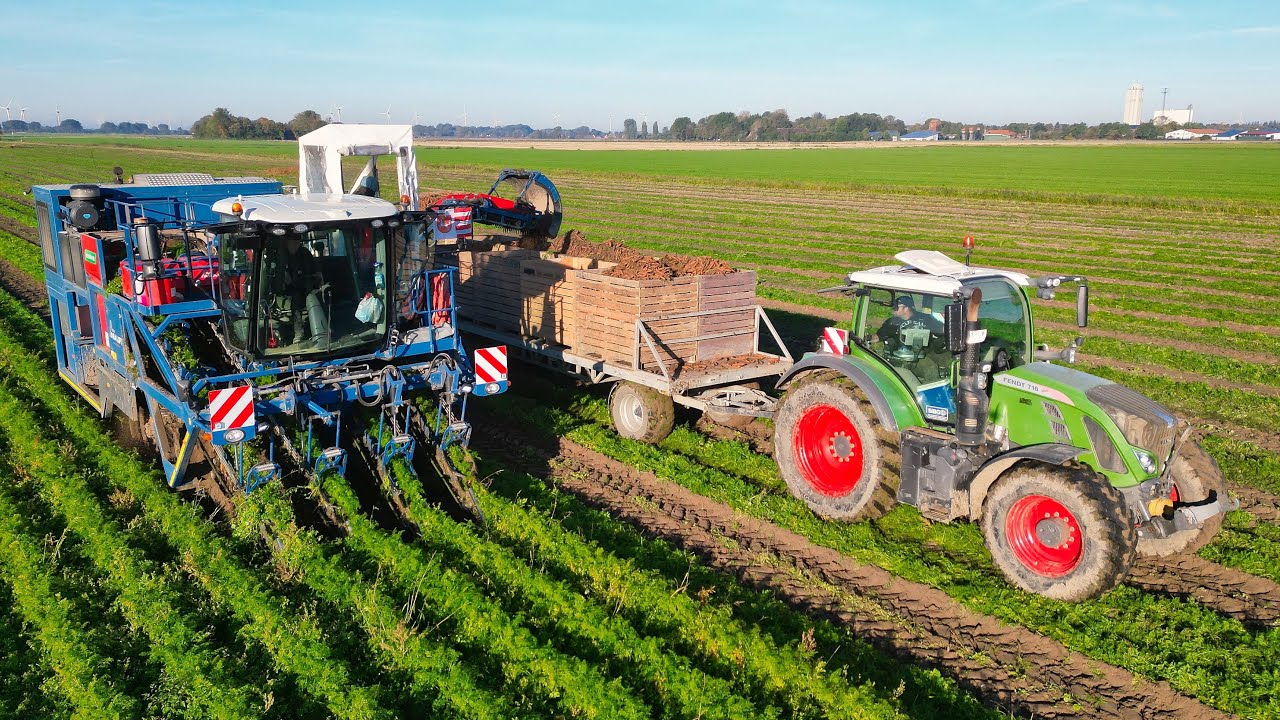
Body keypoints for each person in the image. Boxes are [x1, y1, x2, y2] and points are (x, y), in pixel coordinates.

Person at [876, 296, 947, 381]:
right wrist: (865, 339)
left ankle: (934, 392)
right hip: (899, 357)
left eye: (896, 306)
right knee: (930, 368)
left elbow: (943, 329)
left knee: (934, 367)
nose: (893, 308)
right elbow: (877, 337)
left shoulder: (926, 319)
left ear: (906, 308)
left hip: (922, 355)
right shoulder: (891, 323)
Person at [273, 236, 323, 345]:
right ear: (287, 242)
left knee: (322, 294)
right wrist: (284, 280)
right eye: (292, 241)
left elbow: (316, 271)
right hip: (290, 289)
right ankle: (299, 333)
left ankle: (324, 327)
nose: (295, 244)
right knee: (296, 300)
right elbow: (278, 277)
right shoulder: (281, 256)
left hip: (307, 284)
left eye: (297, 241)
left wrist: (318, 280)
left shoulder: (305, 253)